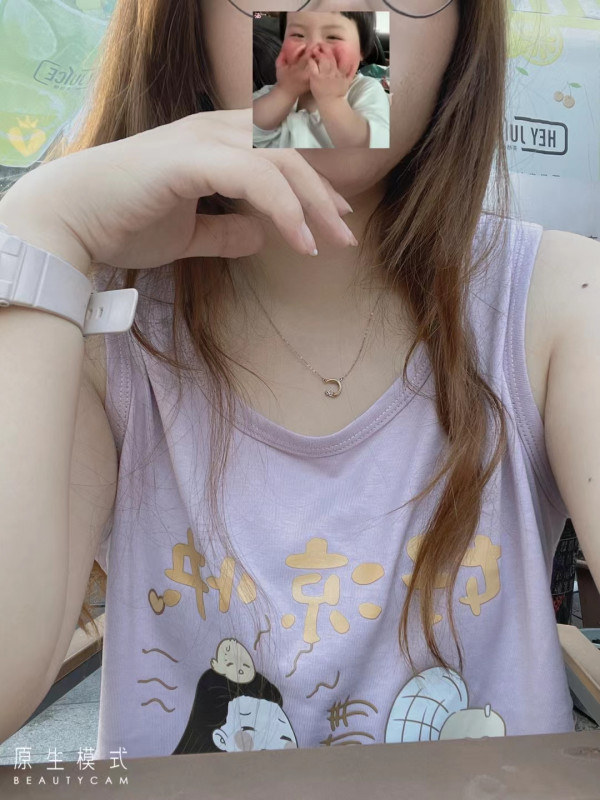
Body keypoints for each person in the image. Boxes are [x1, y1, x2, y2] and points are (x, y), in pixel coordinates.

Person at [0, 0, 598, 764]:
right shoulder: (95, 327)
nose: (330, 26)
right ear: (185, 21)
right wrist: (44, 233)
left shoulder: (561, 302)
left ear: (464, 32)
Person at [253, 12, 390, 148]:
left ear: (362, 51)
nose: (312, 48)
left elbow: (372, 145)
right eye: (298, 35)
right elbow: (251, 132)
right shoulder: (274, 92)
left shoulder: (366, 90)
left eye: (333, 37)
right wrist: (285, 92)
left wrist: (332, 99)